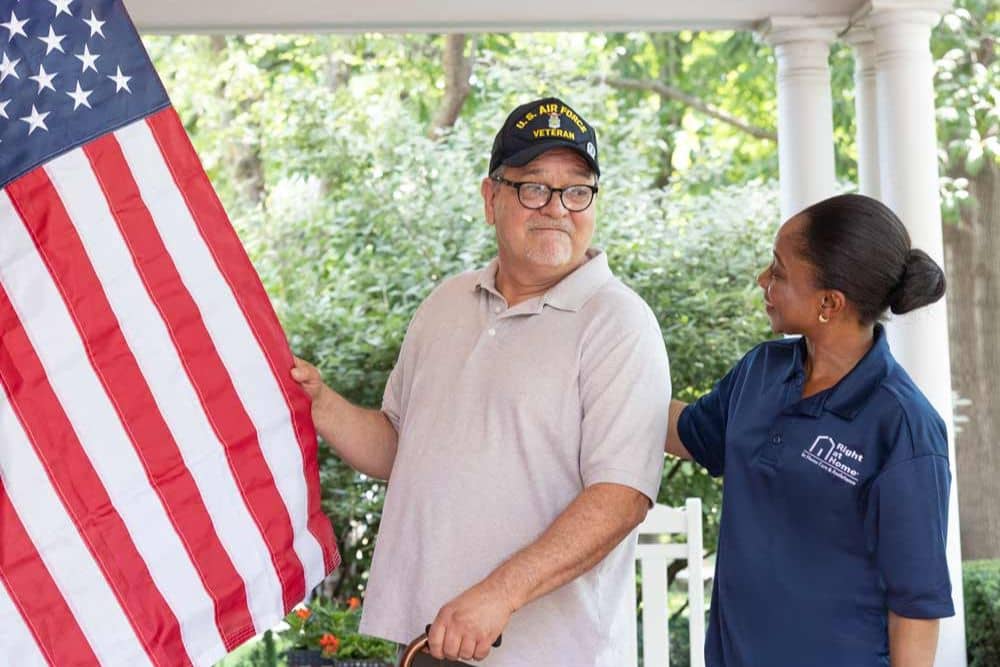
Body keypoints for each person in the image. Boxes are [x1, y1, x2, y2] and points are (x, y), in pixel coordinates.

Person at [292, 97, 670, 665]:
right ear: (491, 198)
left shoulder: (618, 322)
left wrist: (499, 595)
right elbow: (400, 447)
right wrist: (320, 404)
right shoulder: (448, 302)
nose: (558, 209)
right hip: (427, 643)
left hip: (552, 653)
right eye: (534, 187)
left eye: (576, 190)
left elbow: (620, 498)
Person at [666, 193, 954, 667]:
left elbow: (915, 610)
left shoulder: (903, 427)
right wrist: (592, 390)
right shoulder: (760, 371)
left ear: (829, 303)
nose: (763, 280)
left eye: (778, 271)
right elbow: (686, 431)